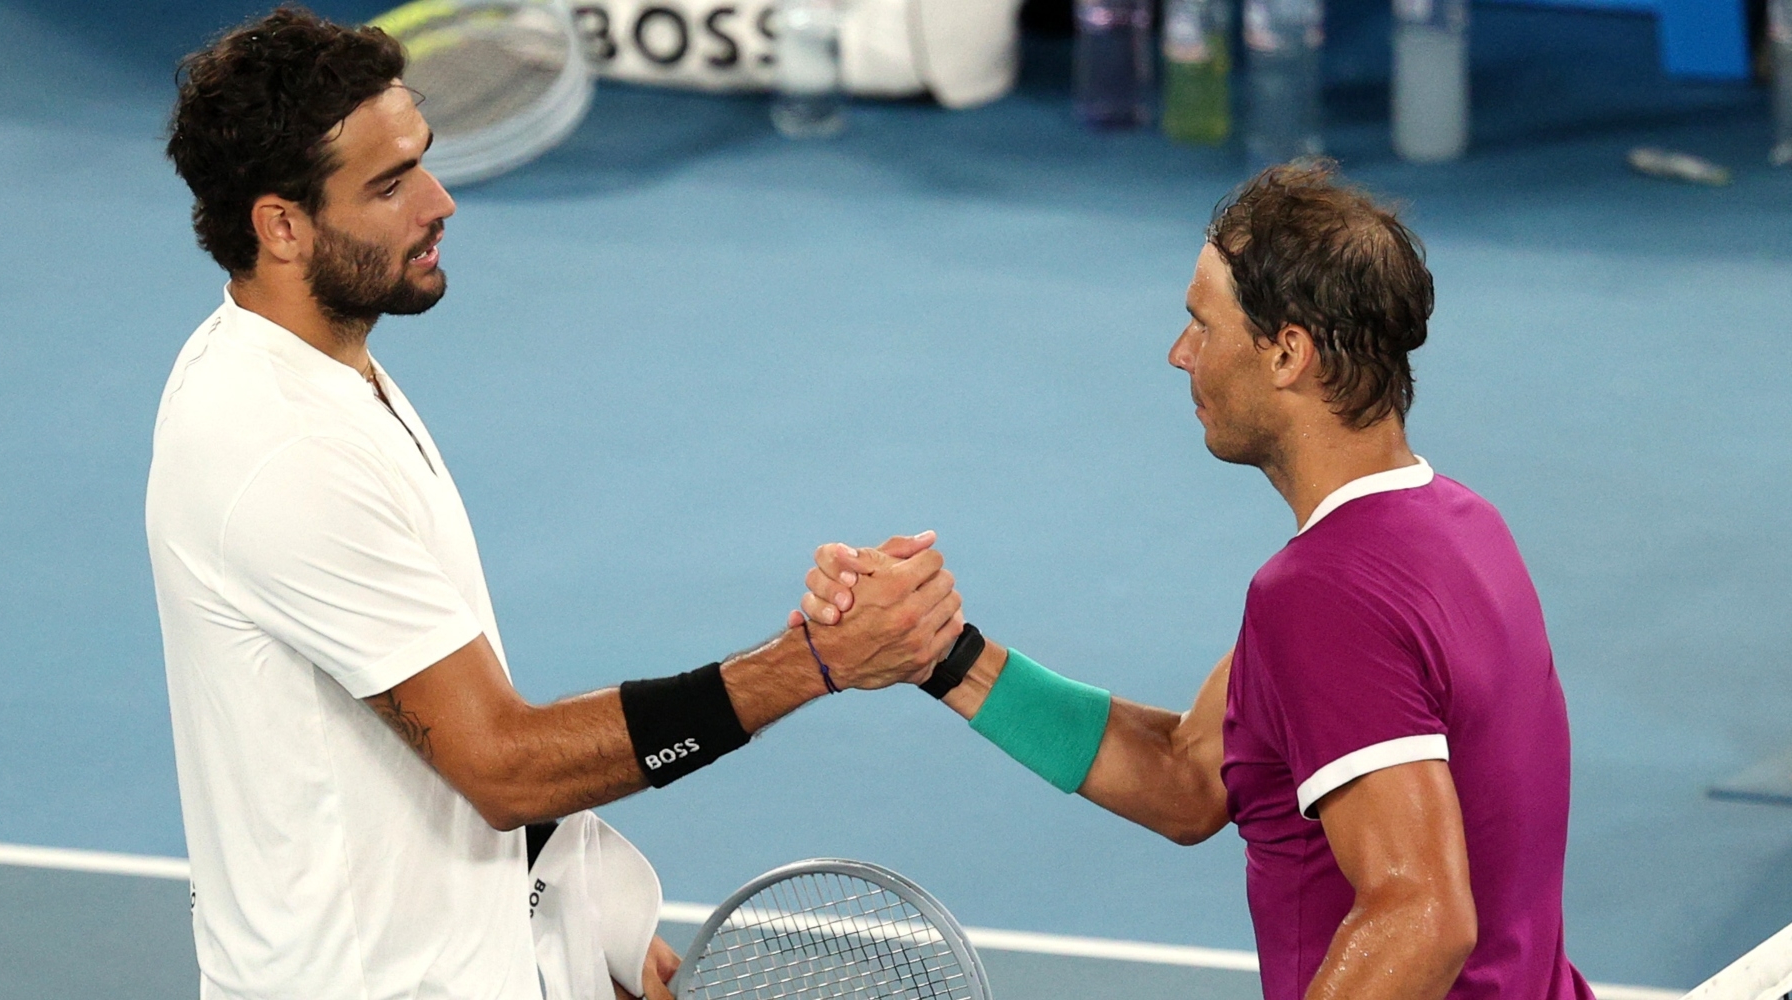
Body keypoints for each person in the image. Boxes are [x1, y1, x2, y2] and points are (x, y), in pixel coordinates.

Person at [147, 8, 963, 1000]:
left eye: (424, 162)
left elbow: (426, 733)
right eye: (391, 183)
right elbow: (501, 764)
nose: (439, 201)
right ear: (280, 224)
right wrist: (810, 664)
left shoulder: (328, 379)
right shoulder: (281, 456)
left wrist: (584, 924)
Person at [800, 162, 1595, 1000]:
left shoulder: (1322, 593)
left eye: (1202, 324)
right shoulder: (1460, 527)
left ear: (1288, 352)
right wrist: (941, 655)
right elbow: (1189, 778)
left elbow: (1420, 919)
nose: (1179, 353)